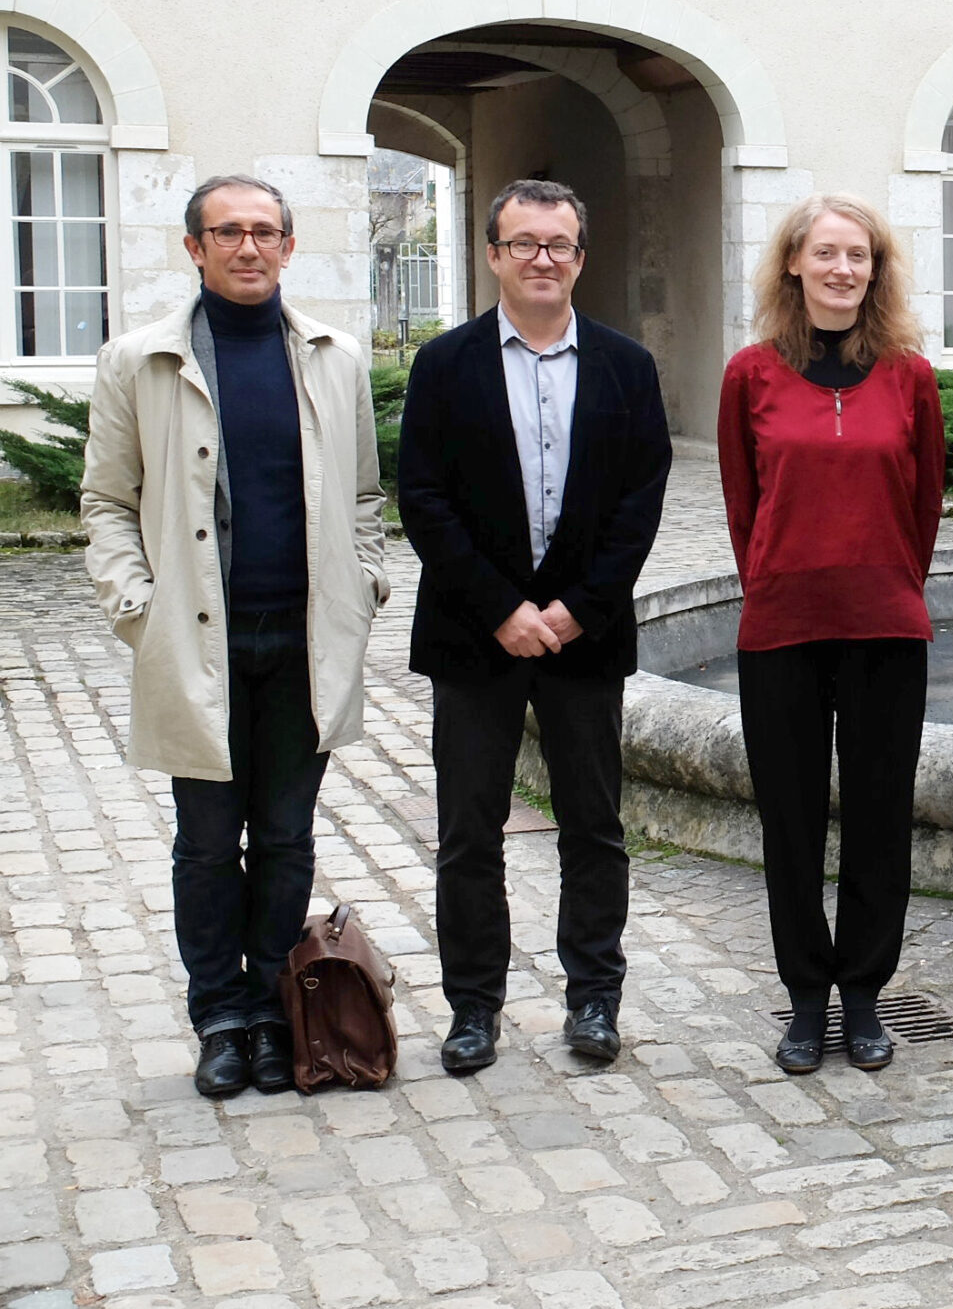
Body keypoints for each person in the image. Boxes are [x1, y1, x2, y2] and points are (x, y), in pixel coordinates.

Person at [82, 175, 390, 1098]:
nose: (248, 247)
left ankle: (272, 1007)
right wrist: (137, 607)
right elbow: (104, 501)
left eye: (264, 232)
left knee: (288, 838)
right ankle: (219, 1015)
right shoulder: (141, 361)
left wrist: (365, 584)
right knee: (209, 843)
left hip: (302, 643)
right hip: (196, 645)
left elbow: (368, 498)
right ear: (196, 248)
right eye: (228, 233)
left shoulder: (333, 359)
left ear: (288, 247)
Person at [400, 178, 672, 1076]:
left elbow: (641, 502)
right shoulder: (445, 365)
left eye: (559, 245)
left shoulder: (628, 366)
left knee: (594, 825)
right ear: (493, 255)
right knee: (469, 833)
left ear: (580, 258)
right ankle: (473, 1008)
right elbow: (425, 502)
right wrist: (503, 610)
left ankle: (595, 997)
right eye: (525, 244)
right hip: (475, 637)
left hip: (584, 637)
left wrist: (574, 610)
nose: (543, 260)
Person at [719, 194, 943, 1076]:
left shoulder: (910, 376)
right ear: (794, 266)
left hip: (887, 622)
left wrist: (886, 584)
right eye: (827, 254)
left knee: (882, 818)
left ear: (875, 271)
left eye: (860, 256)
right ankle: (806, 999)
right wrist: (781, 581)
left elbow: (922, 508)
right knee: (791, 820)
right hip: (781, 626)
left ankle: (863, 997)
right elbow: (744, 506)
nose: (844, 269)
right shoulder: (751, 373)